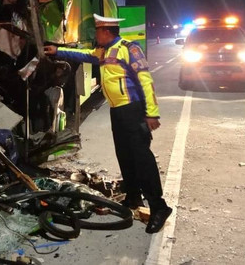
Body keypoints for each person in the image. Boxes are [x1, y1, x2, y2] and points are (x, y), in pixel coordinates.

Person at [43, 13, 172, 234]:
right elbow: (82, 54)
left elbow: (146, 80)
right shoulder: (103, 52)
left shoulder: (129, 49)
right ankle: (132, 198)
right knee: (124, 155)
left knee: (142, 159)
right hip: (117, 112)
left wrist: (152, 113)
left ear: (106, 32)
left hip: (133, 110)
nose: (95, 35)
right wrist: (57, 51)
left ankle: (159, 207)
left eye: (97, 32)